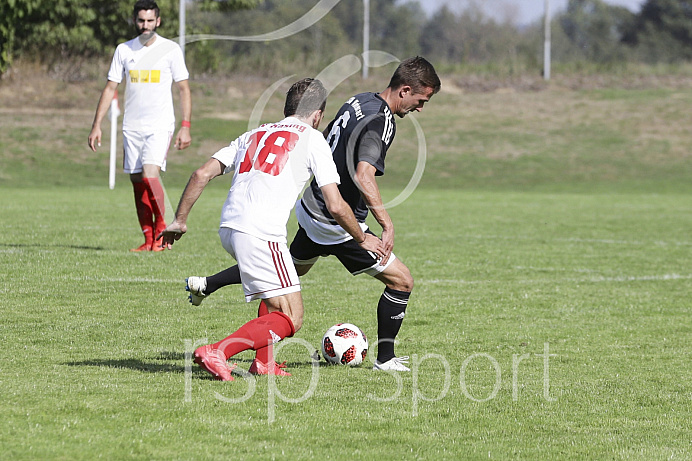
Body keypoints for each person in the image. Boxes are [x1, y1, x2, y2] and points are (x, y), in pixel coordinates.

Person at [185, 57, 441, 372]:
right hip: (339, 222)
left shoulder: (358, 101)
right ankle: (385, 359)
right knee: (402, 281)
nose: (420, 107)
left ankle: (254, 348)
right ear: (404, 90)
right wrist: (383, 226)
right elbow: (364, 175)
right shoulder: (381, 120)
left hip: (311, 208)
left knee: (280, 275)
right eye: (421, 100)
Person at [158, 78, 384, 380]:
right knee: (292, 317)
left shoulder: (254, 133)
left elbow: (201, 174)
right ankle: (219, 351)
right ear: (317, 115)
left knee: (273, 292)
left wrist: (180, 220)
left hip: (229, 227)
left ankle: (263, 363)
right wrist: (362, 237)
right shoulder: (313, 139)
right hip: (261, 232)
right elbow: (336, 204)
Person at [88, 0, 192, 252]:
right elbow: (110, 87)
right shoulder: (124, 50)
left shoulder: (170, 49)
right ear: (135, 21)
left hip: (160, 125)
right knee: (137, 181)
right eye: (140, 20)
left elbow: (184, 89)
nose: (145, 25)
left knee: (149, 174)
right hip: (131, 127)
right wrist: (96, 125)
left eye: (149, 21)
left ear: (158, 21)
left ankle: (163, 231)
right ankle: (148, 239)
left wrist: (185, 125)